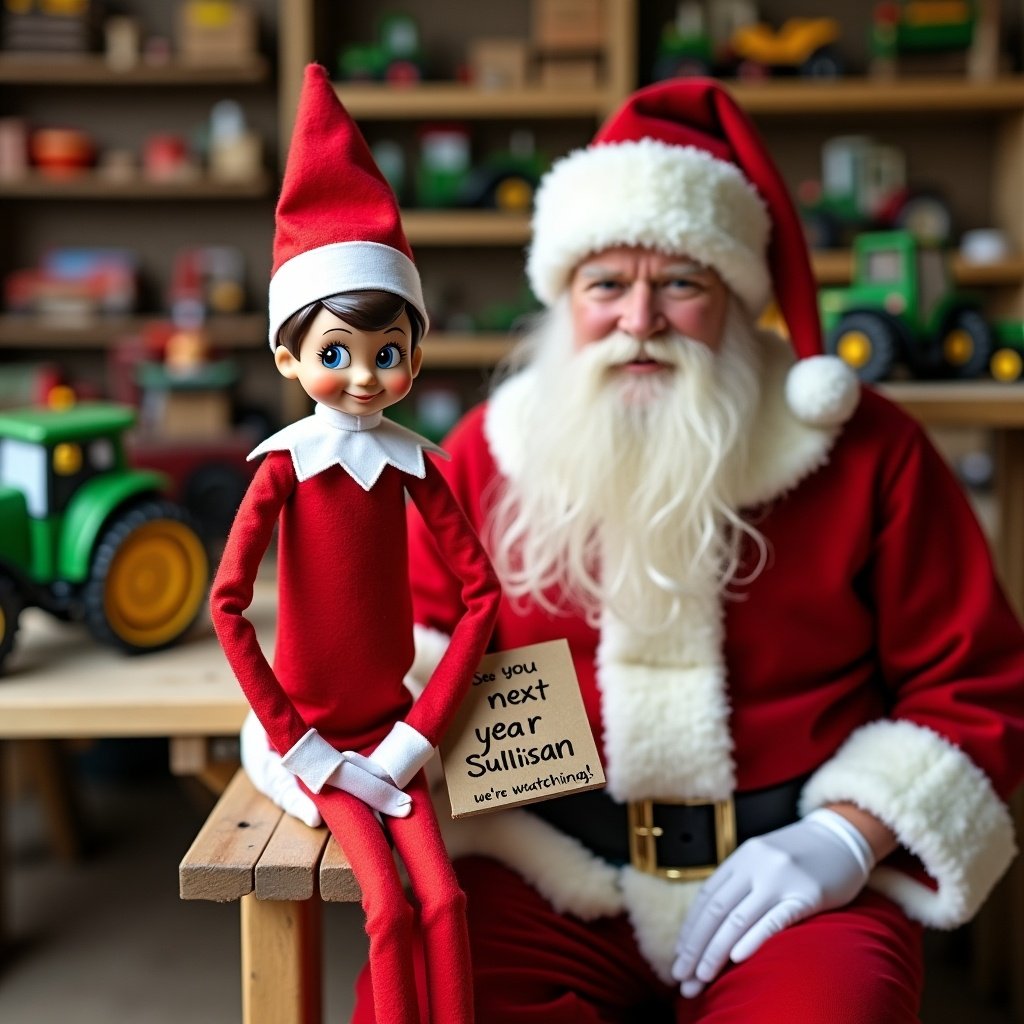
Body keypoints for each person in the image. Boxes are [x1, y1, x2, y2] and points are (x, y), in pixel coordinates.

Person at [242, 78, 1024, 1022]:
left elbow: (978, 685)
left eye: (682, 284)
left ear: (738, 299)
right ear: (566, 297)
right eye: (607, 283)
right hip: (541, 862)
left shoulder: (865, 448)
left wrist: (849, 838)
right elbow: (400, 636)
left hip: (792, 882)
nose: (641, 319)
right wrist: (325, 731)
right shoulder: (492, 446)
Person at [211, 65, 500, 1024]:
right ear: (288, 358)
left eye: (388, 353)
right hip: (315, 739)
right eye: (336, 355)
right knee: (382, 907)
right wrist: (299, 744)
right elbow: (225, 606)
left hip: (395, 726)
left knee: (448, 898)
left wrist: (422, 732)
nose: (366, 378)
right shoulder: (282, 469)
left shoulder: (419, 467)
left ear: (415, 355)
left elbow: (480, 598)